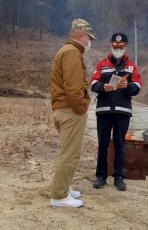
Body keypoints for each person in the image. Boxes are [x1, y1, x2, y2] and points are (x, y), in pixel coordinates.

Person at [50, 18, 96, 208]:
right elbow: (73, 88)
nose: (89, 42)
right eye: (89, 38)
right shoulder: (71, 53)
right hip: (70, 111)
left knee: (69, 152)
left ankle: (65, 188)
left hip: (65, 110)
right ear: (81, 35)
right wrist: (82, 106)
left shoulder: (67, 51)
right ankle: (59, 196)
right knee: (69, 154)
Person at [90, 32, 141, 191]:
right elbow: (93, 83)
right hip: (104, 111)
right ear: (111, 45)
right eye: (115, 45)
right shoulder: (101, 64)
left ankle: (119, 177)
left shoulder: (132, 65)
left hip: (122, 112)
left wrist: (128, 86)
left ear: (125, 46)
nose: (118, 47)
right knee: (102, 144)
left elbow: (138, 87)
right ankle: (101, 176)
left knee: (120, 145)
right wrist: (102, 87)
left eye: (121, 45)